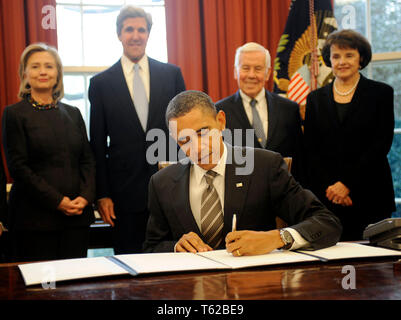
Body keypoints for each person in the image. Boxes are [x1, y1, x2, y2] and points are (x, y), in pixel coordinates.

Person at [143, 90, 342, 255]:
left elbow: (326, 222)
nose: (197, 148)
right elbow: (151, 247)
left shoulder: (264, 166)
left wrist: (277, 238)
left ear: (221, 121)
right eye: (184, 140)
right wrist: (176, 246)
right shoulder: (161, 183)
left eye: (203, 132)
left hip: (255, 285)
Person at [89, 5, 186, 254]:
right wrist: (102, 194)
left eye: (141, 30)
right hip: (123, 195)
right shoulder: (100, 84)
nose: (135, 35)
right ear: (119, 34)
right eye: (129, 29)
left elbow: (186, 132)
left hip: (171, 188)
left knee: (173, 264)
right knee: (129, 269)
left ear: (148, 34)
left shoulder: (172, 74)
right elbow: (97, 144)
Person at [2, 43, 96, 262]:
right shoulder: (14, 114)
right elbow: (18, 167)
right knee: (41, 291)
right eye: (35, 67)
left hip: (76, 219)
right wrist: (58, 201)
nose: (42, 72)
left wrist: (85, 197)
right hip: (34, 220)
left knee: (74, 288)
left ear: (57, 74)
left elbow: (88, 160)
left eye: (49, 66)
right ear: (24, 73)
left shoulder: (73, 113)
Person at [303, 29, 395, 241]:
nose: (342, 61)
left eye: (349, 55)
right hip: (328, 198)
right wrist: (333, 189)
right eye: (336, 56)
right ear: (329, 60)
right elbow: (311, 149)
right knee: (330, 269)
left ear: (360, 58)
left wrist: (347, 185)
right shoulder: (315, 99)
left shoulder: (381, 93)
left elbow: (380, 145)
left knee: (376, 269)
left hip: (370, 194)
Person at [216, 42, 304, 182]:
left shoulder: (289, 109)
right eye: (245, 68)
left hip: (281, 193)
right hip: (239, 193)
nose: (251, 75)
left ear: (268, 73)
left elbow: (300, 159)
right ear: (235, 71)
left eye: (258, 69)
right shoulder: (219, 111)